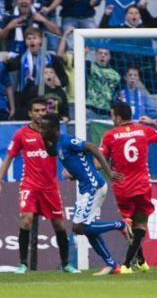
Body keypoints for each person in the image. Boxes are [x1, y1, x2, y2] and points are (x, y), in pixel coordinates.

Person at [41, 114, 129, 276]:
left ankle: (121, 225)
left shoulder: (67, 141)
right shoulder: (57, 143)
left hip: (93, 186)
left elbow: (92, 147)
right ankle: (112, 265)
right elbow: (52, 153)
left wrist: (109, 172)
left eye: (44, 128)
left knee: (79, 227)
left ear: (54, 129)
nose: (41, 130)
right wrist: (44, 138)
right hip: (85, 188)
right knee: (86, 229)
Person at [0, 98, 81, 274]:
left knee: (59, 225)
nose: (40, 114)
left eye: (43, 110)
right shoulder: (21, 134)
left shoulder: (54, 134)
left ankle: (66, 264)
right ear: (30, 113)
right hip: (29, 184)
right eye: (36, 110)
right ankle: (23, 264)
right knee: (26, 219)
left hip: (50, 187)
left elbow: (67, 154)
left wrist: (74, 172)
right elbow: (9, 157)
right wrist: (0, 178)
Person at [100, 102, 157, 274]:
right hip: (142, 184)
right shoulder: (143, 130)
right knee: (141, 223)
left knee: (128, 225)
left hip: (122, 186)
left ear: (118, 117)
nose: (112, 119)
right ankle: (137, 260)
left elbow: (98, 163)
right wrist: (154, 123)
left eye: (112, 115)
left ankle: (129, 264)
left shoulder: (110, 135)